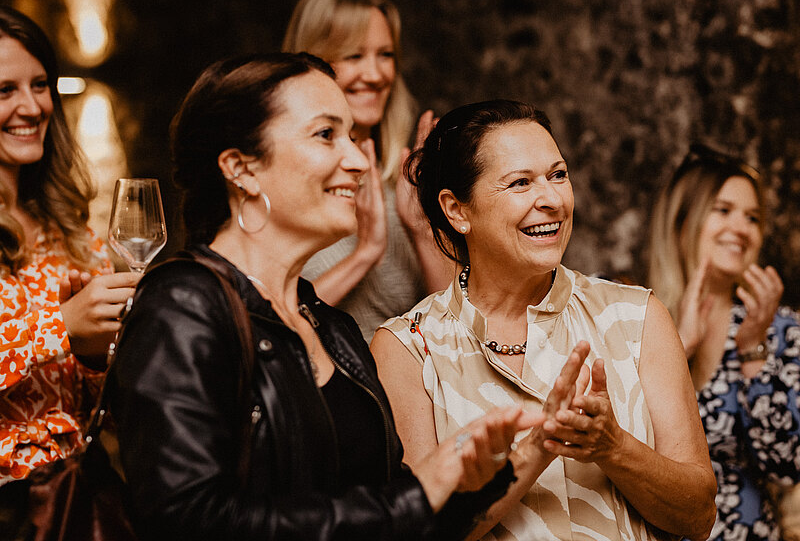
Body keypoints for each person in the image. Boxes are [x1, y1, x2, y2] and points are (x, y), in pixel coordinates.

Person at [105, 53, 571, 541]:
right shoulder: (182, 307)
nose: (357, 161)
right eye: (326, 134)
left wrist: (465, 485)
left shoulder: (332, 328)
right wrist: (420, 493)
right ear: (241, 168)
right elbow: (188, 521)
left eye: (351, 135)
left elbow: (388, 514)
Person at [371, 100, 717, 541]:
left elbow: (699, 516)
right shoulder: (408, 347)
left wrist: (614, 446)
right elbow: (417, 532)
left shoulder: (637, 317)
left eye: (558, 175)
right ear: (457, 210)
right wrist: (539, 446)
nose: (552, 200)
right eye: (520, 183)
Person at [0, 6, 140, 535]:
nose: (32, 106)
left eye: (40, 85)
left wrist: (94, 353)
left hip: (76, 497)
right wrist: (61, 327)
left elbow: (106, 409)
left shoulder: (68, 228)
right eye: (5, 90)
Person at [648, 143, 800, 541]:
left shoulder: (782, 329)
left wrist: (753, 348)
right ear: (682, 221)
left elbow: (787, 466)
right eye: (723, 210)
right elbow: (617, 444)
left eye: (752, 217)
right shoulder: (633, 318)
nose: (742, 228)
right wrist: (680, 347)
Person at [282, 0, 450, 339]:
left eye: (385, 55)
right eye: (353, 56)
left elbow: (458, 326)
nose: (374, 75)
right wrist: (364, 254)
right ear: (311, 64)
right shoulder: (277, 188)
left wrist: (422, 229)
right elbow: (266, 326)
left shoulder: (404, 184)